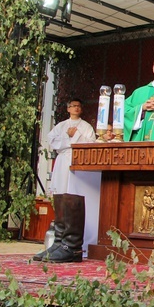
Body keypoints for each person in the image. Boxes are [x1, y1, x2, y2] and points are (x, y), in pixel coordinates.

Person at [33, 98, 96, 263]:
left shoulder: (86, 127)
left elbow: (90, 143)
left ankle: (70, 246)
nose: (76, 108)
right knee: (60, 196)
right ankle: (59, 241)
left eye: (78, 106)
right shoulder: (61, 125)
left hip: (77, 161)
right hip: (62, 161)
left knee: (72, 196)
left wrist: (74, 136)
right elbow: (53, 142)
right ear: (68, 109)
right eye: (73, 106)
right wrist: (68, 138)